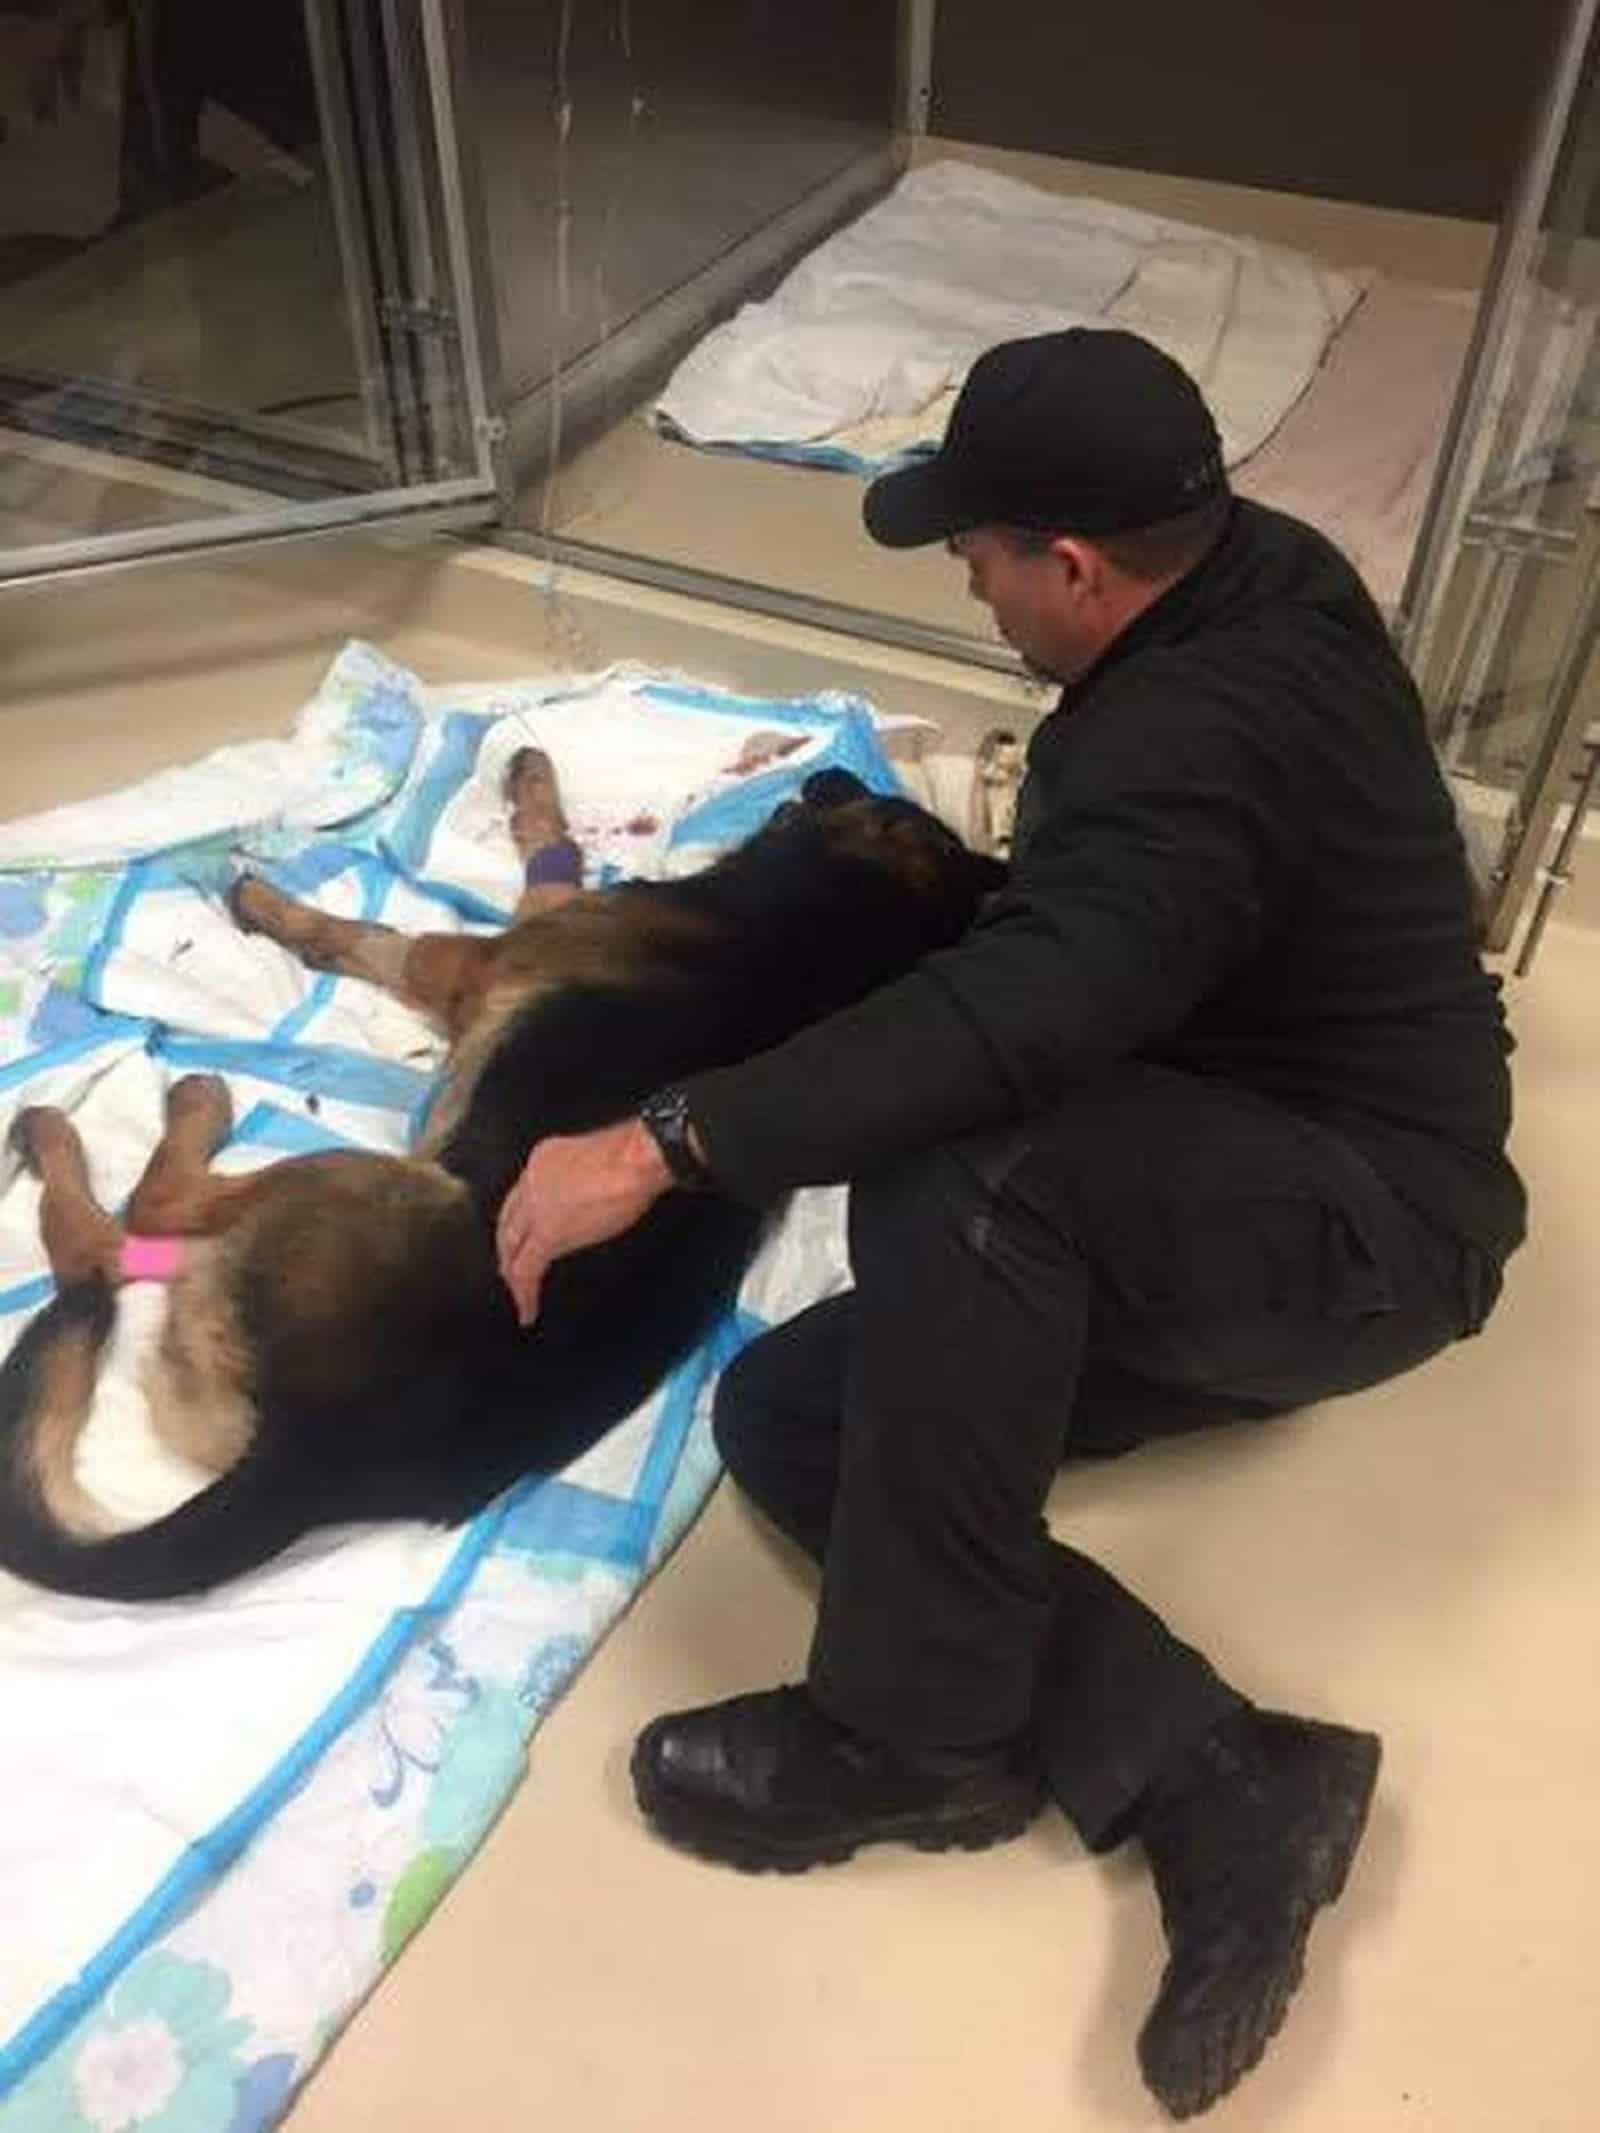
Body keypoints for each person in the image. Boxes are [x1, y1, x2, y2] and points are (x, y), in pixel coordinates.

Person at [495, 329, 1526, 2119]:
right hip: (1226, 1138)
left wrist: (664, 1138)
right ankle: (1219, 1772)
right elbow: (1091, 943)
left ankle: (913, 1737)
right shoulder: (1258, 573)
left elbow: (1020, 1022)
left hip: (1359, 1225)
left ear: (1076, 564)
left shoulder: (1179, 741)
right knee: (791, 1415)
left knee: (967, 1159)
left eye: (978, 554)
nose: (966, 583)